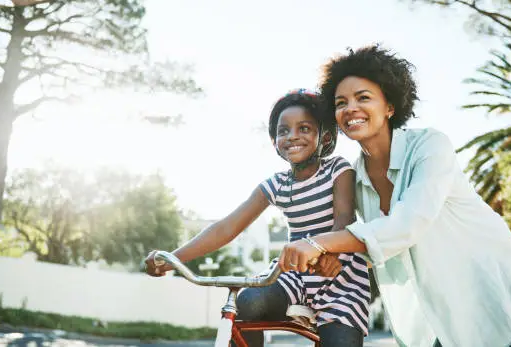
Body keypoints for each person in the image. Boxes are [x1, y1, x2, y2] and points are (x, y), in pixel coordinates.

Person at [277, 45, 511, 347]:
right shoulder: (355, 176)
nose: (350, 108)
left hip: (486, 289)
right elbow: (369, 242)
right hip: (432, 307)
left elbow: (407, 224)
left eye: (363, 97)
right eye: (341, 103)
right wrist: (331, 257)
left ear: (390, 107)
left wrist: (317, 243)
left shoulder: (431, 146)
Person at [145, 89, 371, 347]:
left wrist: (330, 254)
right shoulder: (277, 185)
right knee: (248, 301)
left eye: (304, 128)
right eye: (283, 130)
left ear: (325, 137)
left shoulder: (337, 169)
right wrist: (174, 259)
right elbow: (227, 227)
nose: (292, 136)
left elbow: (344, 217)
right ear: (275, 141)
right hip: (296, 276)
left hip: (341, 279)